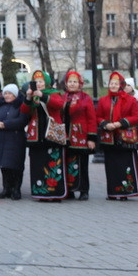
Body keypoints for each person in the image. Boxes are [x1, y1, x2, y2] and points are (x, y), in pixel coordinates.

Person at [24, 70, 74, 201]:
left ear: (46, 83)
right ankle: (41, 192)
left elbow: (58, 105)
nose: (38, 84)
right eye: (36, 82)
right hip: (36, 135)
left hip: (51, 134)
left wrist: (43, 96)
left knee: (53, 162)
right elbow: (24, 111)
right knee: (38, 164)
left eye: (41, 82)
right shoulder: (32, 96)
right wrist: (28, 97)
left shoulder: (54, 93)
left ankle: (56, 193)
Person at [94, 72, 138, 201]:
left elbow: (136, 117)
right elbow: (98, 116)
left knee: (125, 164)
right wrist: (105, 124)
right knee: (111, 166)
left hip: (124, 138)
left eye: (116, 83)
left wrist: (120, 123)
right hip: (109, 138)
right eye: (111, 83)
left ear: (121, 85)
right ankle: (113, 192)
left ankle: (126, 191)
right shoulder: (103, 100)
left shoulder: (130, 100)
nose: (113, 86)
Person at [47, 70, 96, 200]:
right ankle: (69, 190)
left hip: (80, 135)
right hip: (65, 135)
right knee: (67, 163)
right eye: (70, 82)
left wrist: (91, 138)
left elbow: (91, 119)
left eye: (75, 82)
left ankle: (83, 190)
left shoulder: (86, 98)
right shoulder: (62, 98)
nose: (72, 84)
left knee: (82, 164)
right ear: (66, 84)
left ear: (80, 84)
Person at [0, 84, 26, 199]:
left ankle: (16, 189)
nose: (7, 96)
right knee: (4, 165)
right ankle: (6, 188)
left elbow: (22, 120)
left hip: (15, 139)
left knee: (15, 165)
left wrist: (6, 124)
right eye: (6, 93)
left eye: (10, 93)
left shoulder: (20, 105)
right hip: (0, 139)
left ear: (15, 95)